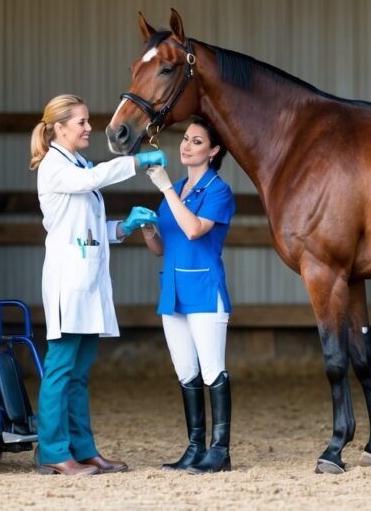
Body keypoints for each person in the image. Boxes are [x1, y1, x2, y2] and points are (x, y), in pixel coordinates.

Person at [29, 94, 164, 476]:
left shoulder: (76, 164)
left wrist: (123, 227)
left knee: (79, 373)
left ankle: (83, 449)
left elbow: (87, 232)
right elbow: (92, 179)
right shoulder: (55, 167)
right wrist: (136, 161)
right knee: (60, 369)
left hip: (87, 283)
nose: (89, 128)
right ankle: (54, 452)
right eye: (83, 122)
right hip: (68, 283)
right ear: (60, 128)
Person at [141, 117, 236, 474]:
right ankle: (195, 446)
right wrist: (149, 230)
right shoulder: (177, 188)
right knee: (186, 372)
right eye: (184, 139)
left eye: (196, 141)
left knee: (213, 370)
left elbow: (195, 230)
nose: (185, 145)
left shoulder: (217, 190)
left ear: (213, 151)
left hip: (204, 289)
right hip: (174, 291)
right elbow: (163, 247)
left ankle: (220, 450)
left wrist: (165, 190)